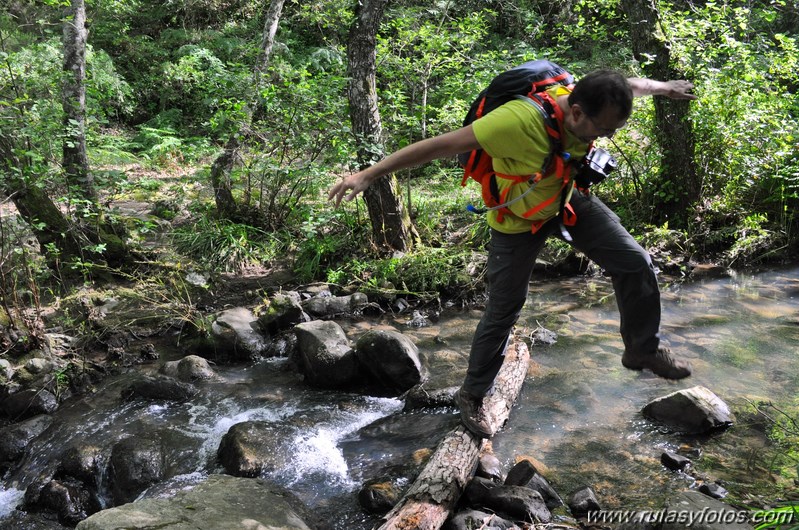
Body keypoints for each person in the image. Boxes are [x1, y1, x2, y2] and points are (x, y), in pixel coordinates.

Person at [329, 68, 697, 438]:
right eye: (602, 129)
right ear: (577, 112)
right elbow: (438, 145)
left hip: (564, 202)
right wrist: (368, 174)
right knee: (504, 311)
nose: (606, 137)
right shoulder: (515, 121)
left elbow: (633, 84)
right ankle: (472, 395)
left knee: (635, 262)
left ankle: (641, 349)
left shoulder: (596, 95)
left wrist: (667, 88)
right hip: (517, 221)